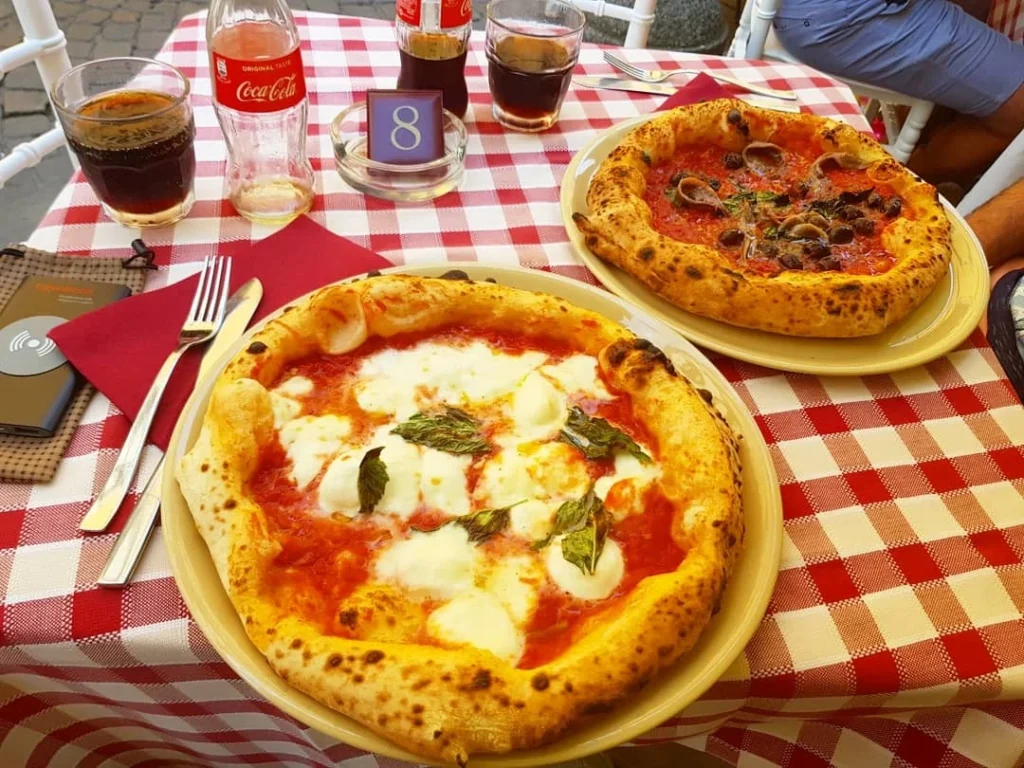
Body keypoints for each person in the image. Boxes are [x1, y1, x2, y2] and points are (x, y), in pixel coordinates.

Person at [772, 0, 1024, 186]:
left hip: (822, 10)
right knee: (1020, 104)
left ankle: (912, 173)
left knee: (979, 9)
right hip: (839, 15)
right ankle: (894, 188)